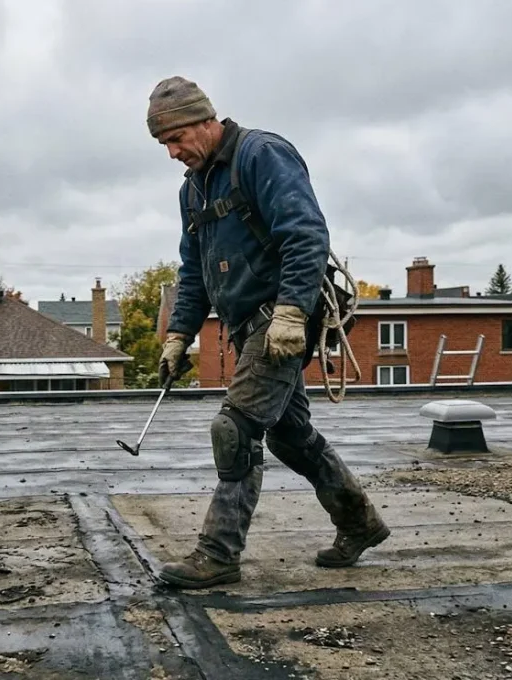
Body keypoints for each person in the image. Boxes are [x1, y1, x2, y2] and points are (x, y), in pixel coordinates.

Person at [147, 76, 389, 589]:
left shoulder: (263, 155)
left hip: (278, 319)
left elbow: (305, 235)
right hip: (246, 325)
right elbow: (194, 271)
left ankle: (218, 554)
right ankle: (360, 522)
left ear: (206, 122)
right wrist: (177, 335)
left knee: (235, 429)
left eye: (175, 140)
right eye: (164, 144)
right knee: (291, 435)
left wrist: (291, 314)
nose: (171, 153)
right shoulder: (194, 188)